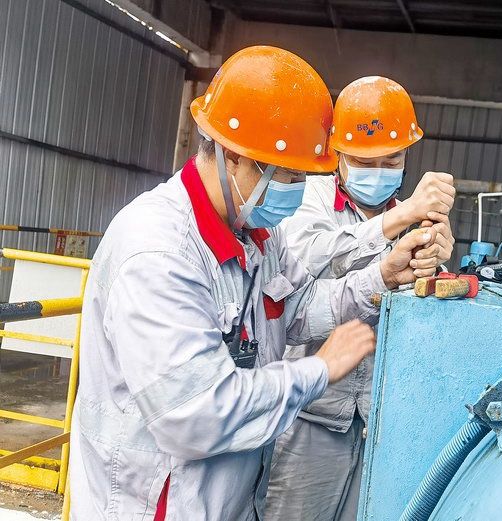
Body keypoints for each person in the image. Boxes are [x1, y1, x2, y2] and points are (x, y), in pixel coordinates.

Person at [67, 48, 442, 521]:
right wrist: (317, 370)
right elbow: (197, 414)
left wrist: (381, 277)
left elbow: (300, 306)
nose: (297, 190)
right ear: (232, 156)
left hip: (229, 497)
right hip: (160, 504)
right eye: (287, 174)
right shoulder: (159, 253)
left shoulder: (257, 232)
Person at [265, 76, 456, 520]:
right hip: (310, 415)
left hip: (376, 422)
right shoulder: (305, 197)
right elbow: (308, 260)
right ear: (338, 155)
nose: (380, 171)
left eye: (392, 160)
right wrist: (396, 222)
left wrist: (436, 266)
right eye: (364, 161)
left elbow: (419, 318)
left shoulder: (412, 219)